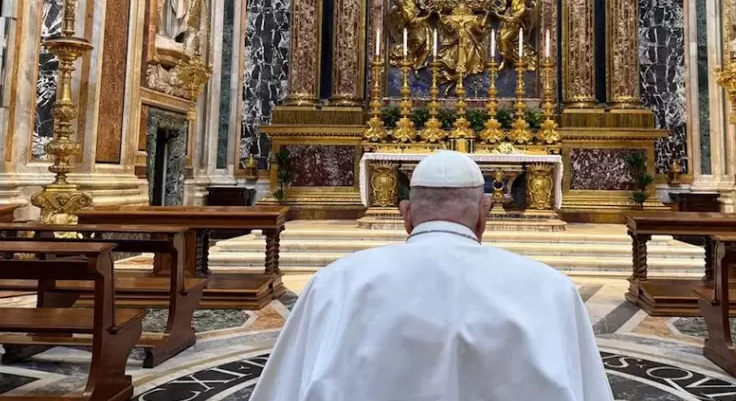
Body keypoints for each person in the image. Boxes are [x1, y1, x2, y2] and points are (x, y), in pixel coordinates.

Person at [249, 151, 613, 401]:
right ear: (484, 215)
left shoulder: (333, 285)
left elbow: (282, 390)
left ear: (406, 214)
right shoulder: (552, 291)